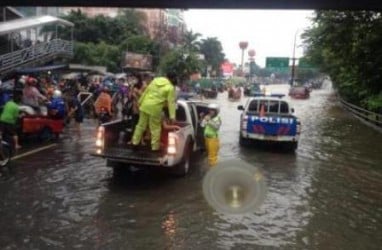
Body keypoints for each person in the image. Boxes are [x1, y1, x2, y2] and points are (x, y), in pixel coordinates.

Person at [130, 73, 177, 151]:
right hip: (155, 109)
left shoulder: (155, 81)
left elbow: (146, 92)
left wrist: (140, 102)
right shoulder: (170, 88)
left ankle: (134, 143)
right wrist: (172, 116)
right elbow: (171, 103)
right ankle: (154, 148)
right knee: (155, 128)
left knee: (140, 126)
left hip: (145, 105)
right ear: (172, 80)